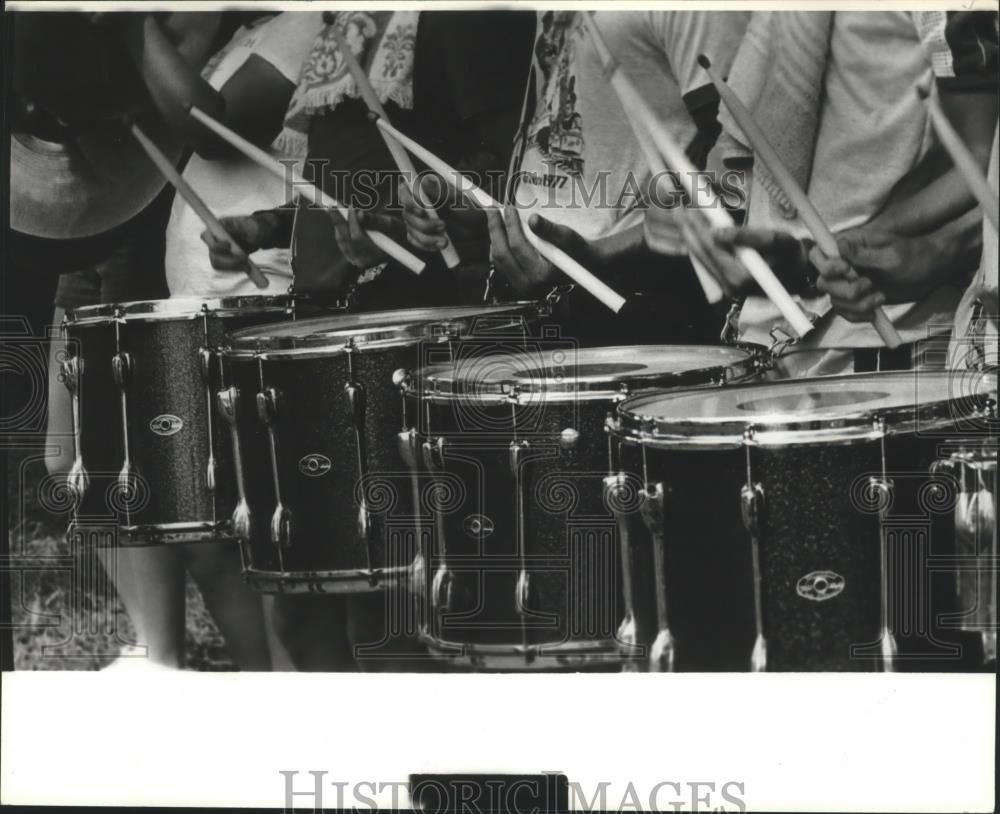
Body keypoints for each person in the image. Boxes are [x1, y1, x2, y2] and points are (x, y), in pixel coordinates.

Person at [200, 10, 536, 671]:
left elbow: (506, 165)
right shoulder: (347, 27)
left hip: (412, 332)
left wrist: (395, 219)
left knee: (393, 608)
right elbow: (344, 187)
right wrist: (267, 224)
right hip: (334, 327)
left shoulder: (461, 22)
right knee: (308, 600)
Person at [645, 10, 998, 377]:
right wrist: (703, 207)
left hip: (885, 342)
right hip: (768, 331)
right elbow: (753, 151)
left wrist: (845, 251)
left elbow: (982, 158)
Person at [398, 10, 751, 346]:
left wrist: (600, 253)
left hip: (630, 308)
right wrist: (468, 205)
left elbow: (744, 182)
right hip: (534, 302)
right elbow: (567, 160)